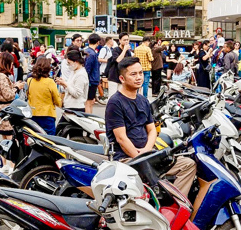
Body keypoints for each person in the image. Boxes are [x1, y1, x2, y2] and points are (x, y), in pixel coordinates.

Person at [105, 56, 197, 196]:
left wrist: (147, 152)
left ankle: (174, 205)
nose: (139, 77)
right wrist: (140, 158)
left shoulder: (142, 100)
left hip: (147, 154)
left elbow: (152, 129)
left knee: (188, 164)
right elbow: (121, 139)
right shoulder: (115, 102)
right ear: (122, 79)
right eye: (133, 74)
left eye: (141, 73)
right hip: (127, 158)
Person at [26, 56, 62, 135]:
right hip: (47, 115)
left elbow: (28, 96)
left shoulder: (30, 80)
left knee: (35, 138)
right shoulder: (50, 82)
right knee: (49, 140)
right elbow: (57, 101)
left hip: (33, 114)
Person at [0, 53, 18, 138]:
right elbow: (8, 95)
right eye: (11, 63)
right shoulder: (2, 76)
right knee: (10, 137)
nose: (12, 65)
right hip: (4, 110)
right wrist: (17, 87)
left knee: (4, 137)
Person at [84, 33, 102, 113]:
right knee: (89, 102)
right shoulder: (91, 54)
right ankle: (88, 120)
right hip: (91, 81)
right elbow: (88, 69)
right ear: (98, 42)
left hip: (91, 80)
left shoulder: (87, 52)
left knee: (90, 102)